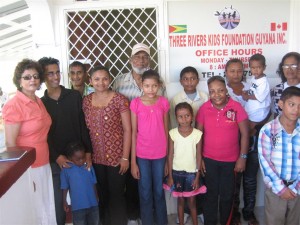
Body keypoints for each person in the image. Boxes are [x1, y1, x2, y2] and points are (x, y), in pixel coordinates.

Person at [113, 43, 165, 225]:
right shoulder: (119, 82)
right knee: (133, 180)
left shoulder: (160, 87)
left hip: (155, 145)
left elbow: (163, 120)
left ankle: (150, 217)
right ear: (130, 59)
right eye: (137, 56)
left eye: (145, 57)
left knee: (153, 186)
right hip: (129, 138)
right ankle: (134, 216)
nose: (141, 60)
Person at [39, 57, 93, 225]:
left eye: (57, 72)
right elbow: (44, 135)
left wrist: (88, 153)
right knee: (59, 203)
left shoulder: (74, 96)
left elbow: (83, 126)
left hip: (79, 158)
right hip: (57, 161)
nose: (55, 77)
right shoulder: (41, 103)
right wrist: (57, 157)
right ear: (43, 77)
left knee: (84, 202)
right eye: (50, 74)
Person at [2, 59, 57, 225]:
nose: (32, 80)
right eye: (26, 77)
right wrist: (23, 173)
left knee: (47, 206)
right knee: (36, 209)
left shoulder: (38, 100)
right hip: (29, 167)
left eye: (35, 76)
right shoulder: (14, 105)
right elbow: (11, 144)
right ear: (19, 80)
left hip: (44, 161)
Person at [196, 76, 249, 225]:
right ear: (209, 92)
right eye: (212, 91)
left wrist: (242, 157)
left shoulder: (236, 107)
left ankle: (227, 222)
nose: (216, 94)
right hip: (209, 160)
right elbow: (198, 136)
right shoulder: (204, 108)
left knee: (227, 196)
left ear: (226, 90)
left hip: (231, 162)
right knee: (210, 195)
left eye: (220, 90)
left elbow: (245, 134)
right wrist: (199, 159)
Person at [82, 65, 131, 225]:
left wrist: (125, 157)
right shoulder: (86, 101)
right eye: (96, 79)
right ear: (90, 81)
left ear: (110, 80)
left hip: (117, 158)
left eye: (104, 78)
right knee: (102, 195)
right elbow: (84, 129)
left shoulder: (119, 99)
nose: (101, 82)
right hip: (96, 158)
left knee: (116, 195)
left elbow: (128, 130)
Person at [169, 66, 208, 224]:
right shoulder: (176, 99)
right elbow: (174, 124)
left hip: (198, 144)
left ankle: (199, 213)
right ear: (181, 81)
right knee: (182, 195)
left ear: (198, 80)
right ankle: (184, 214)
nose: (189, 81)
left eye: (193, 78)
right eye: (186, 78)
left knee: (197, 188)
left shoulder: (205, 97)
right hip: (182, 146)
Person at [225, 59, 262, 225]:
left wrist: (254, 126)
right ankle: (234, 213)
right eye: (232, 71)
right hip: (233, 141)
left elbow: (264, 107)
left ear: (244, 72)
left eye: (239, 70)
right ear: (226, 72)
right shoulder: (222, 90)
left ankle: (249, 212)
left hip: (252, 137)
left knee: (250, 178)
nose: (236, 74)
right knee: (234, 180)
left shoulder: (251, 87)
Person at [130, 69, 169, 225]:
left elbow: (166, 131)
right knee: (145, 192)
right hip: (142, 155)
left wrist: (167, 161)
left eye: (154, 86)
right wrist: (133, 162)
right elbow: (133, 133)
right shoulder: (136, 103)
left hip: (160, 155)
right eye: (147, 86)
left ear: (159, 86)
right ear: (141, 85)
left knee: (159, 191)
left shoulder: (163, 102)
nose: (151, 89)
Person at [258, 86, 300, 225]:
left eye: (299, 106)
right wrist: (281, 188)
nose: (296, 110)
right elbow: (265, 162)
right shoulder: (268, 130)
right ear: (281, 104)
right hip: (275, 190)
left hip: (298, 190)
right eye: (291, 104)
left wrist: (295, 188)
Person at [164, 102, 206, 225]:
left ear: (192, 116)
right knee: (181, 202)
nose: (184, 119)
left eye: (187, 116)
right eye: (180, 116)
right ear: (176, 118)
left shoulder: (197, 134)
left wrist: (198, 177)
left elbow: (199, 156)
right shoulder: (172, 133)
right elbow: (170, 155)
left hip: (192, 174)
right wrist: (170, 176)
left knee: (192, 202)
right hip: (176, 173)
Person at [60, 141, 99, 225]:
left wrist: (96, 197)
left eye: (83, 157)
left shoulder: (88, 166)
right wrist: (64, 201)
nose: (81, 161)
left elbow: (93, 183)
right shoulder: (66, 169)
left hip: (93, 204)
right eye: (78, 159)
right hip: (78, 207)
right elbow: (64, 187)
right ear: (70, 158)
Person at [242, 54, 271, 136]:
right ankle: (253, 137)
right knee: (247, 127)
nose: (256, 70)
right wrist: (246, 92)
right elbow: (253, 90)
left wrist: (247, 96)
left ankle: (253, 142)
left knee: (250, 128)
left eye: (259, 67)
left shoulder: (263, 82)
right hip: (252, 109)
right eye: (253, 68)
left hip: (259, 111)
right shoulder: (254, 78)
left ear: (264, 67)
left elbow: (259, 97)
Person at [271, 52, 300, 118]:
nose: (289, 69)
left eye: (293, 66)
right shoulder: (277, 89)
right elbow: (276, 113)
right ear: (282, 69)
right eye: (286, 66)